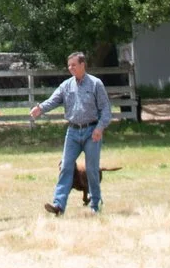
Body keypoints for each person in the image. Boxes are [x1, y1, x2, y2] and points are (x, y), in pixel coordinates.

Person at [30, 50, 112, 214]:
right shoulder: (66, 85)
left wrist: (100, 128)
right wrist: (40, 108)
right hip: (73, 132)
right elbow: (53, 100)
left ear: (83, 65)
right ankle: (59, 205)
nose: (70, 68)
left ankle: (95, 204)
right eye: (69, 65)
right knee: (66, 167)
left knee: (91, 169)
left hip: (92, 131)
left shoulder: (96, 84)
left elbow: (106, 110)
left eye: (74, 65)